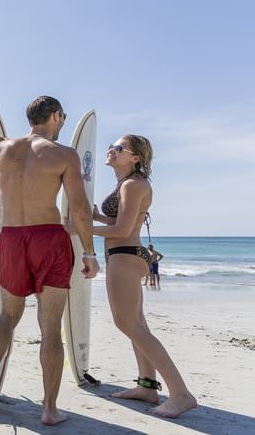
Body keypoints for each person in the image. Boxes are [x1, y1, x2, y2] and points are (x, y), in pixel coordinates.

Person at [0, 85, 98, 426]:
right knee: (51, 327)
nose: (63, 123)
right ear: (55, 117)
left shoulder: (3, 148)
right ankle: (50, 409)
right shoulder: (63, 154)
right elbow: (81, 209)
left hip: (11, 238)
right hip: (47, 239)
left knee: (8, 316)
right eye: (63, 118)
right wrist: (89, 252)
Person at [91, 135, 196, 418]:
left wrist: (79, 228)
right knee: (137, 324)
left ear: (136, 157)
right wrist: (99, 219)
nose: (111, 150)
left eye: (119, 148)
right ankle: (147, 386)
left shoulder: (134, 185)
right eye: (111, 146)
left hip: (125, 254)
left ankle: (181, 394)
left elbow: (123, 230)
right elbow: (121, 222)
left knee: (127, 323)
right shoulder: (128, 184)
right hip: (125, 254)